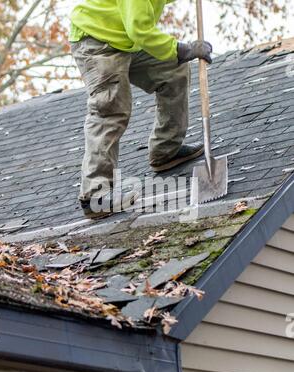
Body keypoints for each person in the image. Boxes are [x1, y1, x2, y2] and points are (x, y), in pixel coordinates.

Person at [69, 0, 212, 219]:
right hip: (97, 42)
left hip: (125, 38)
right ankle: (95, 195)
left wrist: (177, 54)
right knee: (111, 110)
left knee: (173, 71)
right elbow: (139, 29)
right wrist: (182, 49)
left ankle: (166, 150)